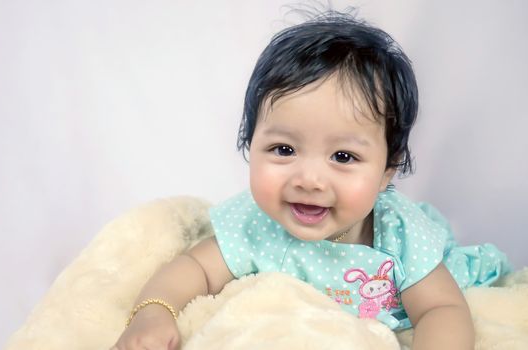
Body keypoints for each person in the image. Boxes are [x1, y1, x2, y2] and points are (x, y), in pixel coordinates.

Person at [112, 10, 511, 350]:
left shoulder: (399, 236)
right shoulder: (256, 225)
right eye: (284, 150)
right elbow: (192, 269)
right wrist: (152, 313)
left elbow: (442, 309)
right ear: (252, 143)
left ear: (388, 168)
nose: (309, 179)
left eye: (343, 156)